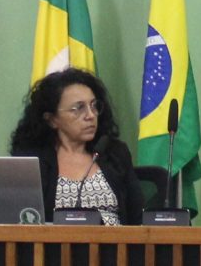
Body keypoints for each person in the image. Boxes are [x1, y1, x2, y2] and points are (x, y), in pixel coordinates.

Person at [7, 67, 134, 222]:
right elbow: (24, 219)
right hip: (55, 245)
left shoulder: (114, 153)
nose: (91, 115)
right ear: (52, 119)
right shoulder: (33, 161)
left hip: (116, 244)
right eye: (79, 108)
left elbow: (137, 217)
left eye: (94, 106)